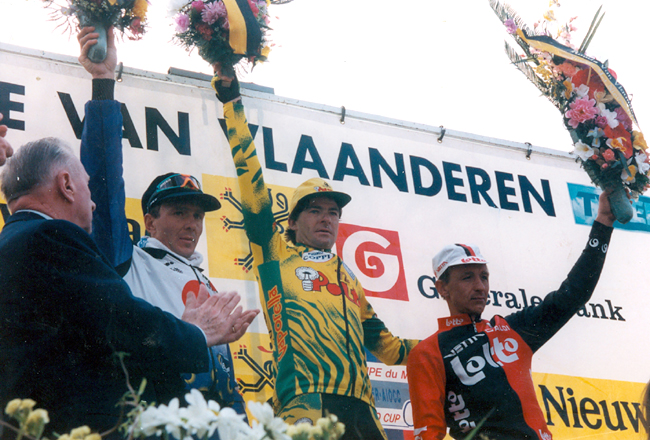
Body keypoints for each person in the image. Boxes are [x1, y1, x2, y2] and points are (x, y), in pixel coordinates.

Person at [211, 71, 418, 440]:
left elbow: (390, 350)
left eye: (333, 212)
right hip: (304, 400)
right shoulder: (275, 256)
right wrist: (233, 106)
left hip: (362, 409)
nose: (327, 219)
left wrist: (450, 344)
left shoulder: (349, 278)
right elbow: (253, 188)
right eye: (315, 211)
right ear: (290, 223)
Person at [0, 137, 251, 439]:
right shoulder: (55, 236)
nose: (92, 202)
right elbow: (120, 320)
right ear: (66, 185)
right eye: (180, 212)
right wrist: (196, 333)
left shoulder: (17, 240)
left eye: (198, 216)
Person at [76, 26, 258, 414]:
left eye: (197, 215)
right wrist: (103, 84)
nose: (192, 224)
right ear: (149, 221)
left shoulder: (203, 278)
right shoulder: (128, 261)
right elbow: (104, 181)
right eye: (178, 213)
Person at [406, 191, 616, 440]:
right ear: (442, 288)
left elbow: (573, 295)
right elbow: (427, 434)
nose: (480, 286)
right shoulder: (427, 353)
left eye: (484, 276)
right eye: (467, 277)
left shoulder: (509, 329)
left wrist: (603, 223)